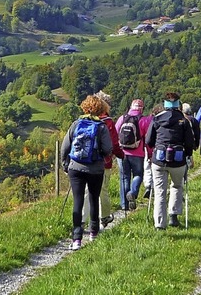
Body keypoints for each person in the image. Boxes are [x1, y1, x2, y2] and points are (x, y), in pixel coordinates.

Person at [61, 95, 113, 250]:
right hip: (95, 169)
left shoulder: (76, 124)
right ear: (100, 109)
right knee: (93, 199)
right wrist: (101, 157)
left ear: (84, 107)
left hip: (75, 168)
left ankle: (76, 239)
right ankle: (93, 234)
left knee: (77, 202)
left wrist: (66, 165)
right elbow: (108, 149)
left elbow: (65, 146)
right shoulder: (101, 126)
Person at [145, 92, 195, 229]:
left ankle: (159, 224)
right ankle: (173, 216)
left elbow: (148, 140)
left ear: (165, 104)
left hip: (159, 160)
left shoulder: (157, 118)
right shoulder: (184, 120)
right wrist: (188, 155)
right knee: (177, 186)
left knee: (160, 190)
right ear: (178, 104)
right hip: (178, 160)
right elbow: (190, 142)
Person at [83, 91, 124, 228]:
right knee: (102, 190)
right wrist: (121, 156)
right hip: (103, 163)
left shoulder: (84, 120)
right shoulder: (108, 122)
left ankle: (82, 220)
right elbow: (113, 143)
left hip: (84, 162)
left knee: (87, 191)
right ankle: (104, 217)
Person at [115, 99, 152, 210]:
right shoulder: (144, 120)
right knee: (138, 175)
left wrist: (115, 150)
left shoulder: (122, 118)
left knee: (124, 177)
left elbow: (115, 133)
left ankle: (124, 205)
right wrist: (149, 153)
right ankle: (133, 192)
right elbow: (148, 139)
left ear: (131, 107)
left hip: (122, 153)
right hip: (138, 153)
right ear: (142, 108)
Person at [143, 104, 163, 200]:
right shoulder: (162, 120)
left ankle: (148, 186)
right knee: (158, 170)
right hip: (159, 148)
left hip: (147, 148)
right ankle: (155, 188)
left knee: (147, 168)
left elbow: (144, 136)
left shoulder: (145, 120)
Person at [182, 103, 201, 168]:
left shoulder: (181, 120)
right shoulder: (194, 120)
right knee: (189, 156)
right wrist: (197, 144)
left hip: (182, 144)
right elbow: (197, 133)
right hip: (191, 143)